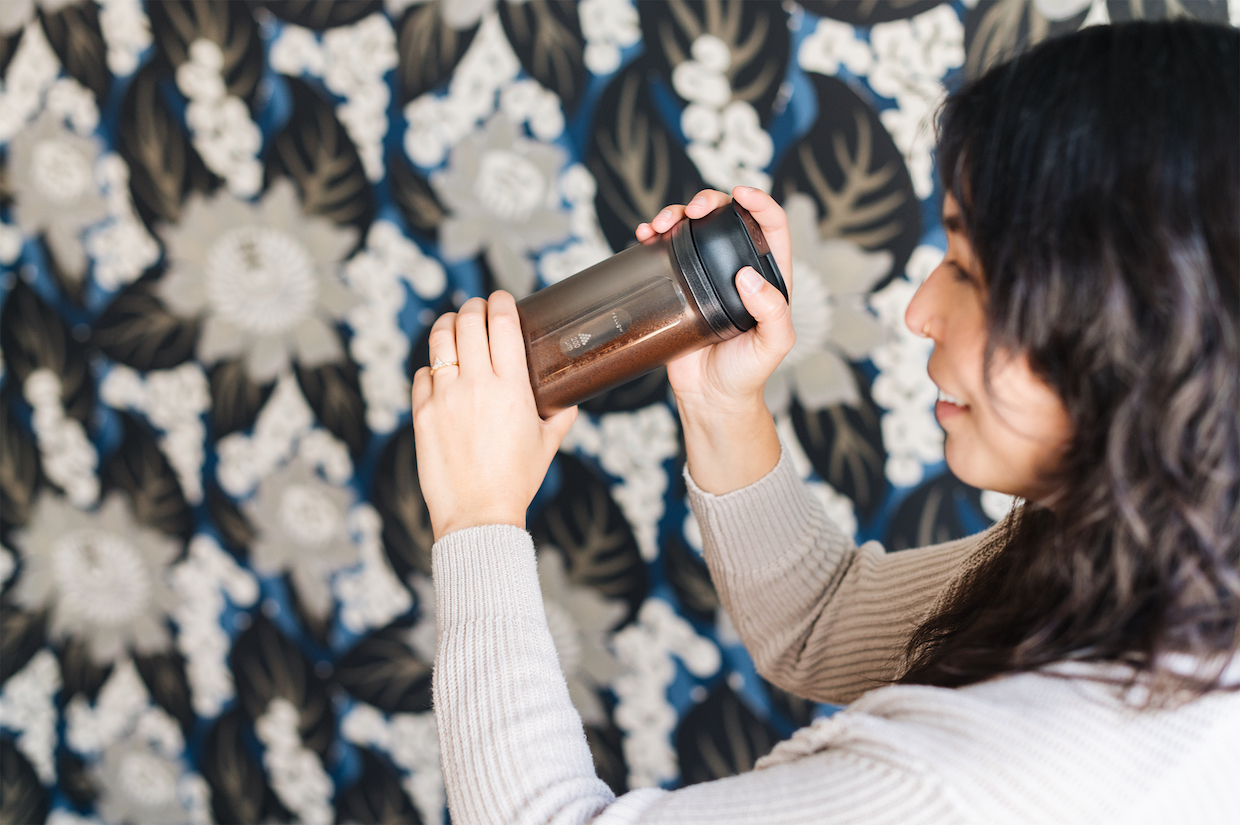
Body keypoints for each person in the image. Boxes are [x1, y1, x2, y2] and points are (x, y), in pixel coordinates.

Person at [410, 19, 1239, 825]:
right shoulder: (1158, 570)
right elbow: (820, 624)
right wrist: (719, 399)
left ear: (1137, 325)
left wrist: (477, 517)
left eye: (968, 269)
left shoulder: (981, 777)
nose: (920, 312)